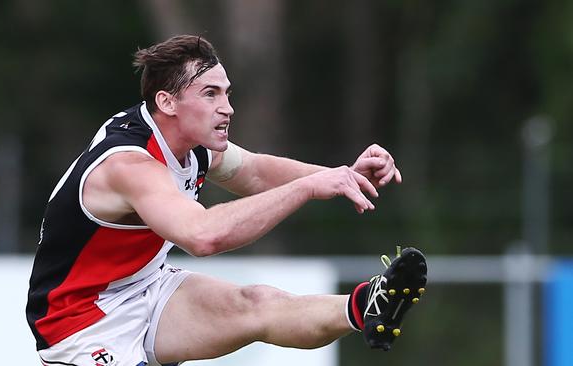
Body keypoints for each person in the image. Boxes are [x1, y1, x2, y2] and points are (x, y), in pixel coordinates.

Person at [26, 34, 427, 366]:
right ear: (167, 102)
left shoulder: (191, 141)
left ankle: (367, 307)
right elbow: (203, 237)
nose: (227, 108)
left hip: (144, 288)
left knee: (257, 303)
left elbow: (252, 171)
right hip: (81, 321)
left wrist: (340, 175)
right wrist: (307, 187)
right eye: (210, 94)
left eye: (227, 94)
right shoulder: (131, 164)